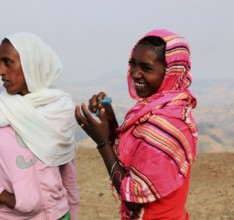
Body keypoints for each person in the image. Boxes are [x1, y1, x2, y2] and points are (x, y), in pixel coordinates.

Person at [75, 29, 197, 219]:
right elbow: (135, 158)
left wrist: (102, 143)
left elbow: (133, 197)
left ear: (171, 72)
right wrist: (109, 118)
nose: (134, 74)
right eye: (133, 64)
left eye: (146, 68)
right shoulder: (167, 108)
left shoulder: (165, 122)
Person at [0, 32, 79, 220]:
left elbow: (66, 167)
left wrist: (72, 210)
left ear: (31, 64)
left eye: (8, 62)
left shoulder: (56, 109)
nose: (0, 71)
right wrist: (4, 198)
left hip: (59, 215)